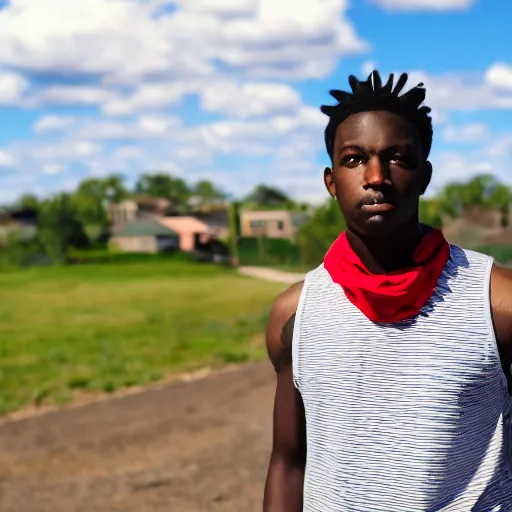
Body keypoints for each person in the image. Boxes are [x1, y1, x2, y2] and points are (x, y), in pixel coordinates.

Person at [263, 70, 512, 512]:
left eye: (397, 157)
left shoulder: (497, 303)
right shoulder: (294, 316)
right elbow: (288, 462)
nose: (376, 176)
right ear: (331, 181)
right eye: (354, 159)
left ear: (425, 174)